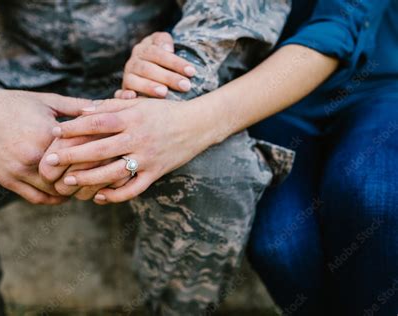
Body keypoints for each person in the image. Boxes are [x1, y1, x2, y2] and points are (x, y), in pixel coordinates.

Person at [0, 1, 292, 315]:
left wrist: (171, 91)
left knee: (218, 169)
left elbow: (231, 9)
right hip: (15, 89)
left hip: (153, 87)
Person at [111, 0, 398, 315]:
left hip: (377, 83)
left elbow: (340, 26)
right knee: (279, 247)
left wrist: (194, 121)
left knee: (372, 195)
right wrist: (159, 50)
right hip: (268, 98)